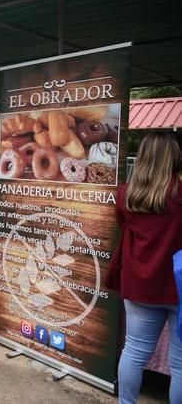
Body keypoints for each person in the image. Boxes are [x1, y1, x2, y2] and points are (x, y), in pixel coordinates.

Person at [105, 132, 182, 404]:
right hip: (179, 287)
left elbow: (123, 227)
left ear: (143, 157)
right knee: (180, 364)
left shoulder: (126, 194)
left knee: (134, 351)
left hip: (140, 283)